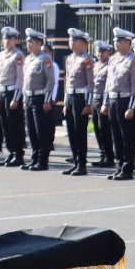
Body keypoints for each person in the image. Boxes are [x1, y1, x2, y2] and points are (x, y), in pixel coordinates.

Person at [105, 29, 135, 180]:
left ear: (127, 43)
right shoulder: (113, 59)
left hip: (125, 101)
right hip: (113, 99)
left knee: (127, 137)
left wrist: (131, 107)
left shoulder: (133, 61)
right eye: (115, 40)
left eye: (119, 41)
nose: (115, 43)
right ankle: (119, 166)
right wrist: (105, 102)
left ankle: (127, 169)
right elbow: (108, 83)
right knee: (116, 136)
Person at [21, 29, 58, 171]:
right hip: (29, 97)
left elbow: (50, 81)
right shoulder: (29, 59)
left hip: (40, 98)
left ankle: (43, 161)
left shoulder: (45, 59)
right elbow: (25, 81)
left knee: (41, 131)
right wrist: (24, 99)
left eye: (31, 42)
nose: (28, 45)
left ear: (39, 43)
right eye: (27, 42)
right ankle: (34, 158)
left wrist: (47, 100)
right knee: (31, 130)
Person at [61, 29, 95, 177]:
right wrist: (64, 102)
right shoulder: (69, 59)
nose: (71, 42)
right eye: (70, 40)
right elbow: (67, 81)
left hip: (81, 98)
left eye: (74, 40)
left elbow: (90, 83)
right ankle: (75, 161)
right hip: (70, 97)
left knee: (80, 131)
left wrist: (88, 104)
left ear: (82, 43)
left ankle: (81, 164)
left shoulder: (87, 60)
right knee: (71, 131)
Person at [0, 26, 26, 167]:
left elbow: (20, 78)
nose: (6, 41)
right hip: (2, 91)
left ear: (15, 40)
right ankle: (11, 152)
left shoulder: (18, 55)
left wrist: (16, 98)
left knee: (14, 125)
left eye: (9, 38)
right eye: (4, 38)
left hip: (12, 92)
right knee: (5, 125)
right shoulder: (1, 55)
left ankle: (18, 154)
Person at [92, 40, 117, 169]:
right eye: (98, 51)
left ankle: (109, 156)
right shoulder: (95, 65)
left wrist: (105, 103)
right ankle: (102, 155)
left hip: (103, 99)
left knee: (105, 129)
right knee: (97, 128)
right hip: (94, 99)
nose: (99, 53)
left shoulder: (110, 66)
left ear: (108, 52)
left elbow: (108, 86)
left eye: (102, 51)